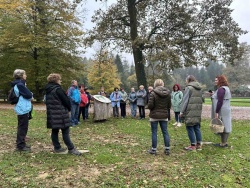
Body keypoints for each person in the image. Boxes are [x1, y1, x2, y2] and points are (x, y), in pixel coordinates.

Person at [45, 73, 81, 155]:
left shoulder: (48, 90)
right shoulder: (58, 89)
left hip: (52, 114)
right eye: (59, 79)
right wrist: (68, 108)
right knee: (65, 131)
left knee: (55, 130)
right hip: (60, 114)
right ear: (56, 80)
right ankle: (71, 148)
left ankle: (57, 147)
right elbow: (66, 101)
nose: (60, 81)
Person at [147, 79, 171, 155]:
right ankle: (167, 149)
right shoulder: (168, 93)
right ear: (163, 84)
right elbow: (169, 105)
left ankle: (154, 149)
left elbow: (150, 105)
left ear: (155, 84)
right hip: (164, 115)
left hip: (154, 115)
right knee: (165, 132)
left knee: (154, 132)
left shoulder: (153, 93)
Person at [180, 75, 203, 151]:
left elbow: (185, 101)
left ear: (188, 80)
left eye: (186, 80)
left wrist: (181, 111)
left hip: (190, 110)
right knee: (196, 127)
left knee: (189, 127)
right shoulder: (199, 88)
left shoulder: (188, 88)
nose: (185, 81)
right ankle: (199, 144)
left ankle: (192, 145)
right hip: (197, 110)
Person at [12, 69, 33, 152]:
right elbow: (28, 95)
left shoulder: (19, 84)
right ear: (21, 75)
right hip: (22, 108)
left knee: (23, 126)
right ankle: (20, 146)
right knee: (23, 127)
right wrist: (30, 94)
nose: (26, 75)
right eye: (25, 74)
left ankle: (21, 143)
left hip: (22, 107)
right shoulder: (20, 84)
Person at [211, 75, 232, 147]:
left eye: (217, 80)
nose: (215, 81)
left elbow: (220, 101)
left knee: (224, 125)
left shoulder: (221, 89)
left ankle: (223, 143)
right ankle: (224, 142)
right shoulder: (226, 88)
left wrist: (216, 111)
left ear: (221, 81)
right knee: (226, 124)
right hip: (226, 108)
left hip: (222, 109)